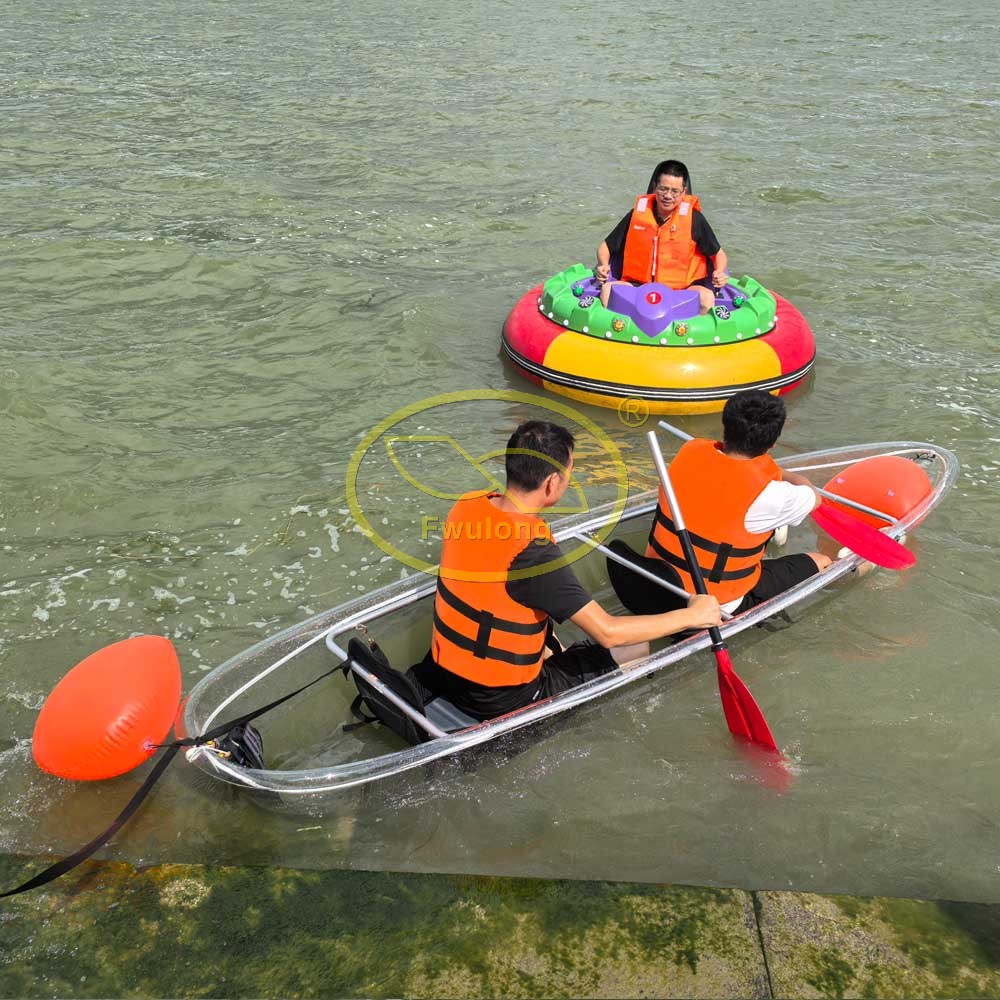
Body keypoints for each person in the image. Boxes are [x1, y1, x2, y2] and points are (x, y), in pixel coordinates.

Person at [411, 420, 722, 721]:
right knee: (634, 645)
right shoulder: (534, 554)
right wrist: (693, 616)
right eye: (568, 473)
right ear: (551, 483)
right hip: (498, 700)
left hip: (443, 672)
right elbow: (608, 632)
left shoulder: (466, 506)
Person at [611, 390, 833, 618]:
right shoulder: (771, 494)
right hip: (711, 605)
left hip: (652, 583)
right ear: (773, 443)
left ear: (725, 428)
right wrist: (776, 472)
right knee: (821, 561)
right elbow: (814, 497)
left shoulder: (689, 450)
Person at [595, 159, 728, 314]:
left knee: (706, 298)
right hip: (637, 286)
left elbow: (718, 254)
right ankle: (616, 327)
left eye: (675, 191)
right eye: (663, 189)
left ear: (683, 192)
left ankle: (691, 328)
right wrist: (603, 265)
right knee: (607, 290)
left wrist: (719, 272)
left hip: (682, 290)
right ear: (655, 187)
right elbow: (605, 247)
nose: (668, 196)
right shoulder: (636, 215)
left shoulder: (695, 219)